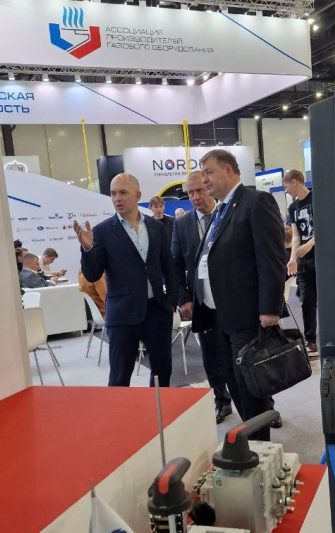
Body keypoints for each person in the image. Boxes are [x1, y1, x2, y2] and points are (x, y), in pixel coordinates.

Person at [192, 149, 286, 441]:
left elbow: (271, 259)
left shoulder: (256, 202)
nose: (204, 179)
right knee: (233, 381)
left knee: (250, 387)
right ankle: (251, 442)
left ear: (229, 171)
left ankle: (260, 448)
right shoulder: (220, 210)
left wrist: (270, 308)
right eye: (202, 173)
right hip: (217, 316)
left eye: (209, 172)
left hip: (246, 315)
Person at [73, 173, 176, 387]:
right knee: (120, 377)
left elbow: (169, 265)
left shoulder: (156, 228)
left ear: (137, 195)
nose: (117, 198)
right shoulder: (102, 231)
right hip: (122, 314)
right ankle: (120, 411)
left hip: (157, 311)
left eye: (123, 192)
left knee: (162, 371)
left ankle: (159, 408)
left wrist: (172, 301)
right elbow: (92, 275)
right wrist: (88, 248)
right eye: (113, 193)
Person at [171, 170, 233, 424]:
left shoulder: (228, 214)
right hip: (202, 303)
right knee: (211, 355)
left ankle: (263, 404)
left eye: (199, 190)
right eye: (190, 193)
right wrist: (183, 298)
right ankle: (221, 400)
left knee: (245, 352)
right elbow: (175, 265)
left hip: (233, 299)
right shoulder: (181, 224)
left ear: (210, 187)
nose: (195, 197)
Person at [283, 169, 318, 354]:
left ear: (294, 181)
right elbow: (296, 236)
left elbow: (326, 226)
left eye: (286, 186)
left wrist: (310, 244)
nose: (286, 190)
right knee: (307, 301)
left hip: (321, 257)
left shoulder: (317, 198)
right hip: (304, 261)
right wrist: (292, 258)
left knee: (326, 299)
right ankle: (310, 340)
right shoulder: (292, 208)